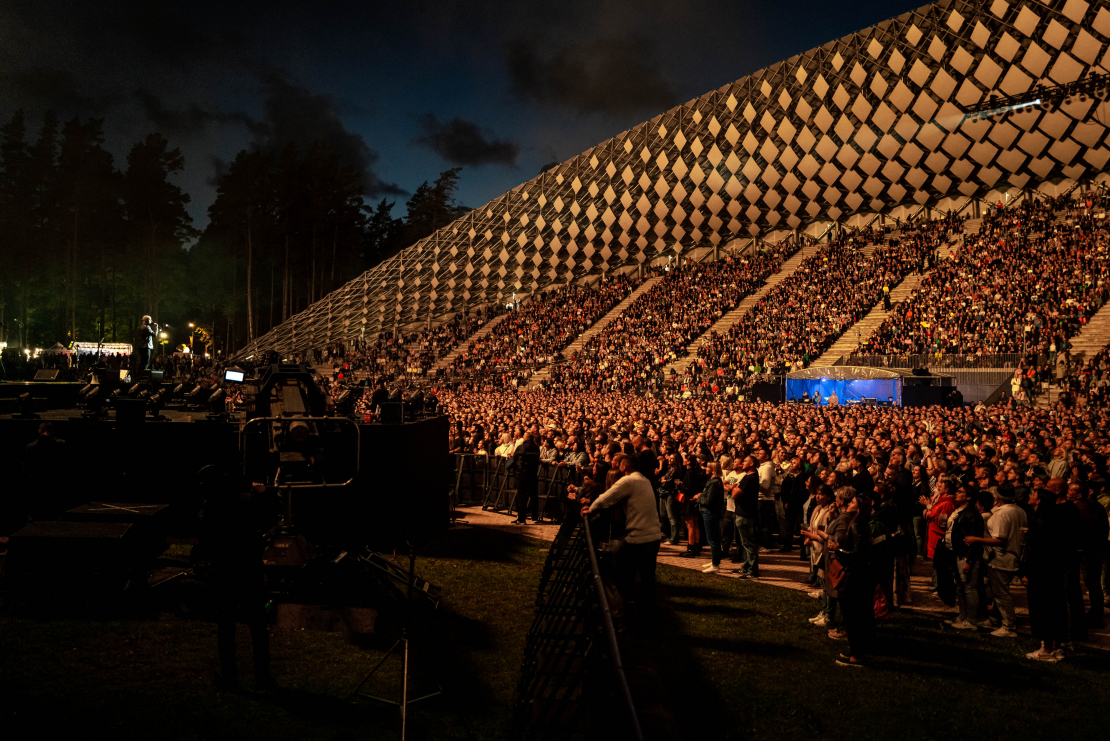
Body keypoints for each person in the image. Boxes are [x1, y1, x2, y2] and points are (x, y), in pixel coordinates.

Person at [200, 475, 278, 691]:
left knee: (226, 624)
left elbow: (206, 535)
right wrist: (262, 497)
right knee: (257, 625)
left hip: (226, 568)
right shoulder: (247, 501)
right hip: (248, 567)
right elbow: (267, 520)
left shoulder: (213, 505)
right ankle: (262, 676)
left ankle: (229, 675)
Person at [581, 453, 663, 611]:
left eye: (620, 464)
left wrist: (590, 509)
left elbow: (606, 498)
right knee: (647, 579)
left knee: (621, 576)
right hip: (653, 536)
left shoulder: (629, 480)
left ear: (625, 466)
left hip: (638, 537)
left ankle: (622, 612)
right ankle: (648, 614)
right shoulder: (644, 480)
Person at [964, 484, 1027, 637]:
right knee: (999, 591)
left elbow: (1000, 539)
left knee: (1001, 594)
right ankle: (994, 619)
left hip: (1001, 558)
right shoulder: (1020, 510)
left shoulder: (1002, 514)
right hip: (1013, 556)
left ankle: (1009, 626)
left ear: (998, 498)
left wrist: (976, 539)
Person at [830, 494, 874, 666]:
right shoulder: (863, 523)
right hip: (862, 575)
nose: (849, 503)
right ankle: (857, 651)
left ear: (860, 507)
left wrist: (838, 549)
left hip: (855, 576)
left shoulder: (857, 525)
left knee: (853, 617)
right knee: (857, 616)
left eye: (853, 502)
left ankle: (857, 656)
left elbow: (857, 554)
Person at [509, 432, 542, 523]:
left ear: (526, 438)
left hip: (522, 475)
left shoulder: (521, 447)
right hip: (533, 474)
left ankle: (521, 518)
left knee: (522, 497)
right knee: (533, 496)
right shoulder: (536, 448)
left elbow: (515, 458)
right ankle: (535, 517)